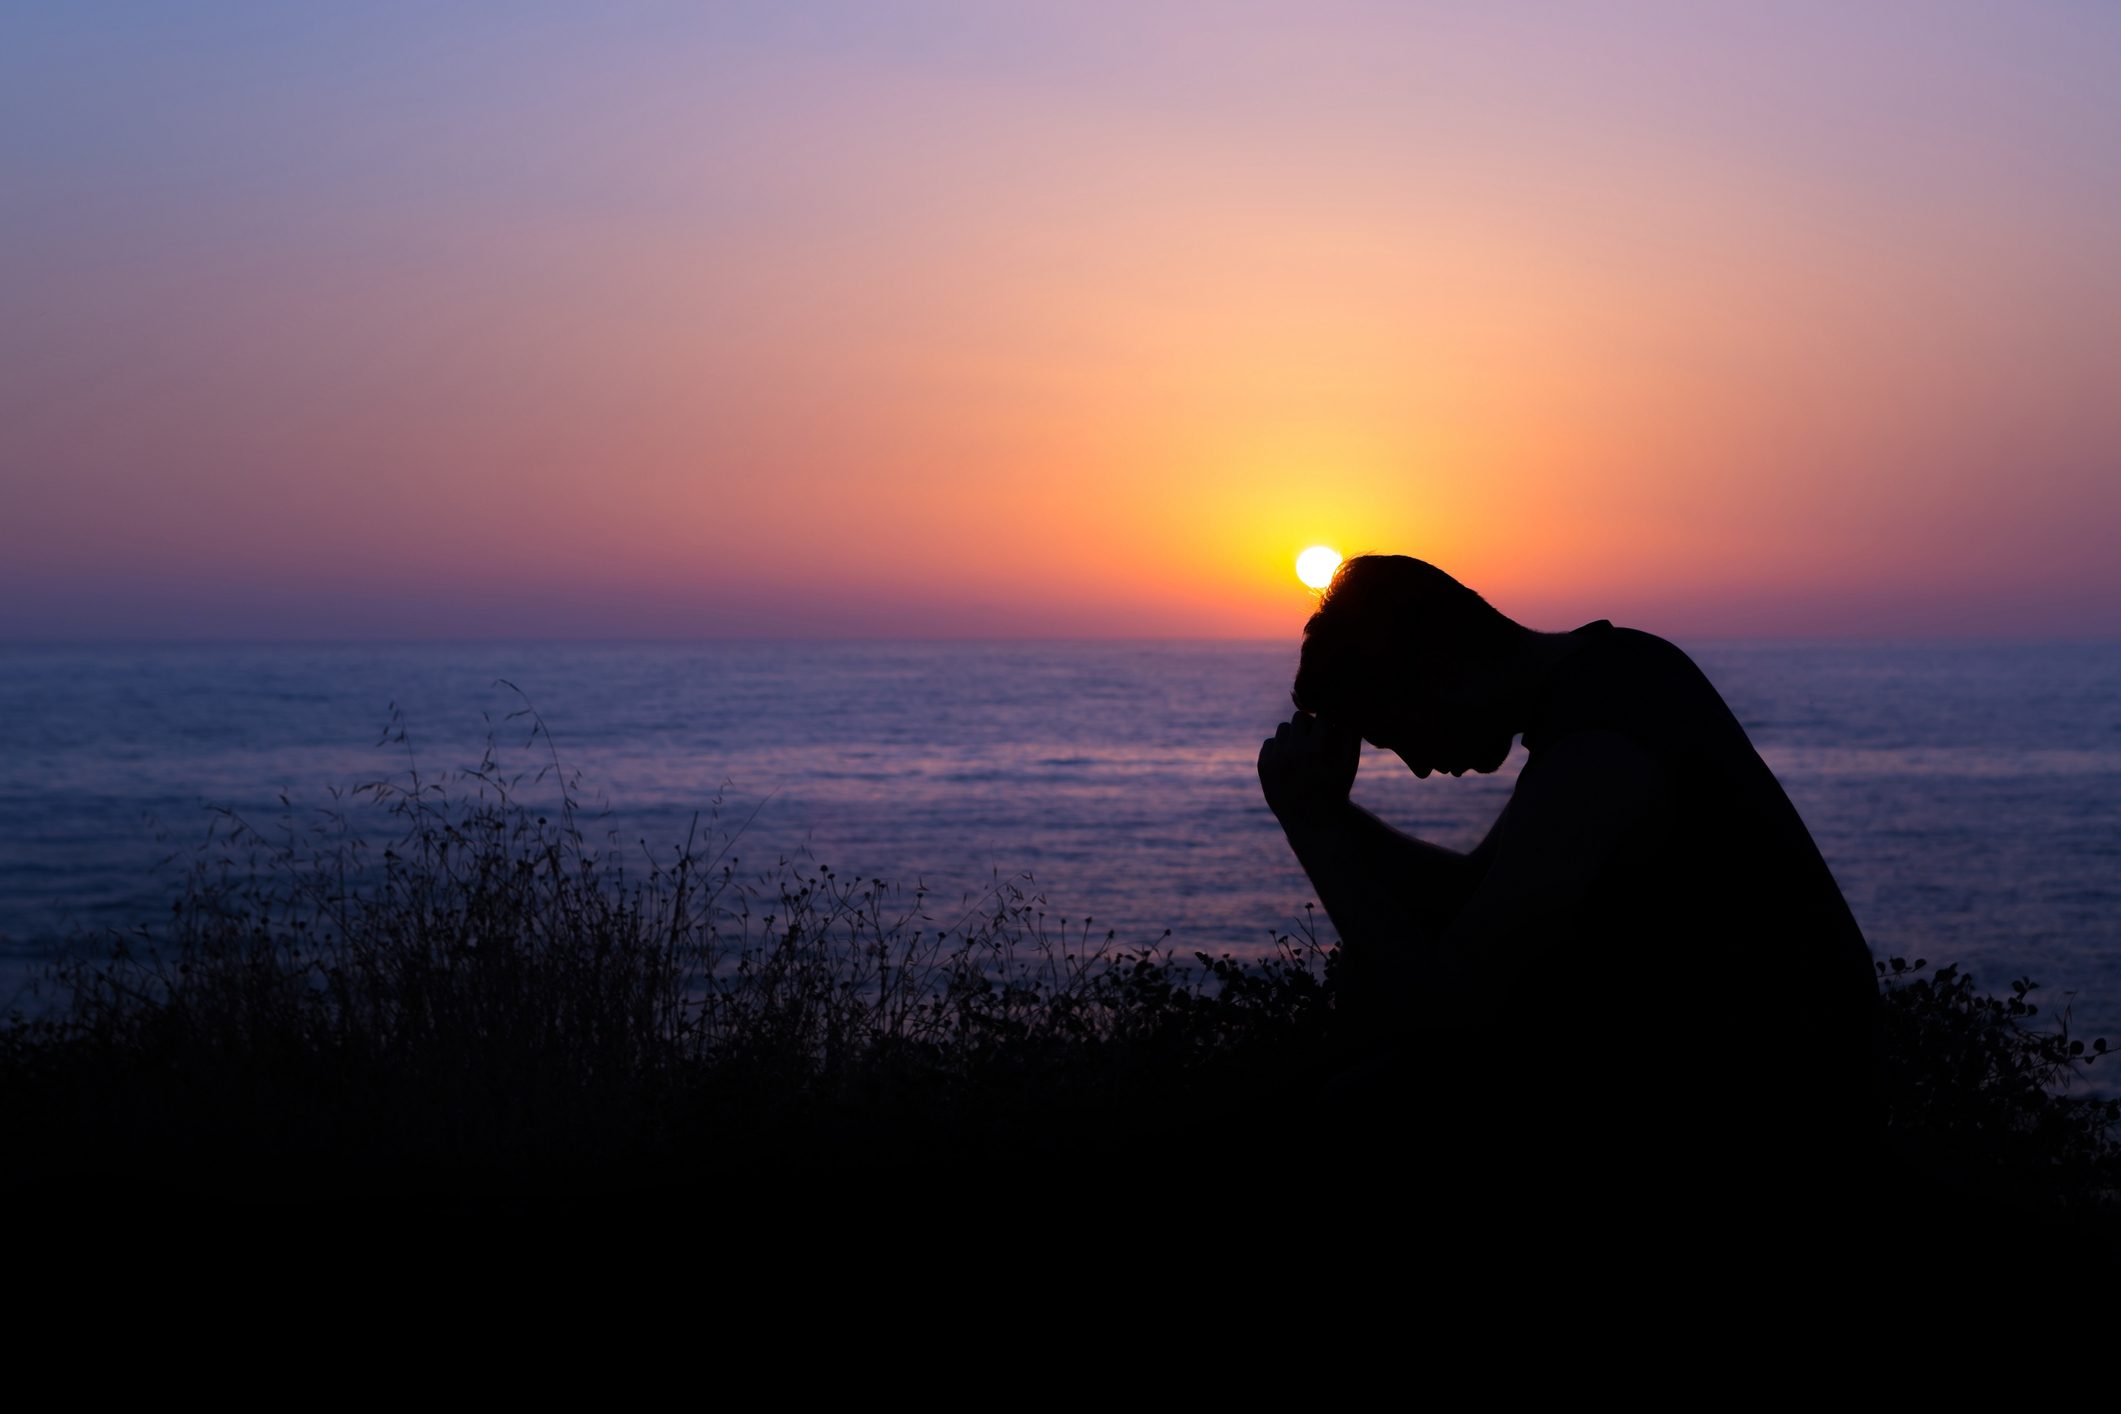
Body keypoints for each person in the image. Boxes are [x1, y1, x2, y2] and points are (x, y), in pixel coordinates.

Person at [1258, 555, 1878, 1230]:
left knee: (1349, 1115)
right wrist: (1325, 812)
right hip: (1725, 1062)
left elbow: (1443, 1008)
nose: (1414, 765)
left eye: (1395, 730)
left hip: (1765, 1103)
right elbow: (1470, 893)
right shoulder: (1608, 682)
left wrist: (1315, 827)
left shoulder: (1600, 742)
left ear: (1432, 670)